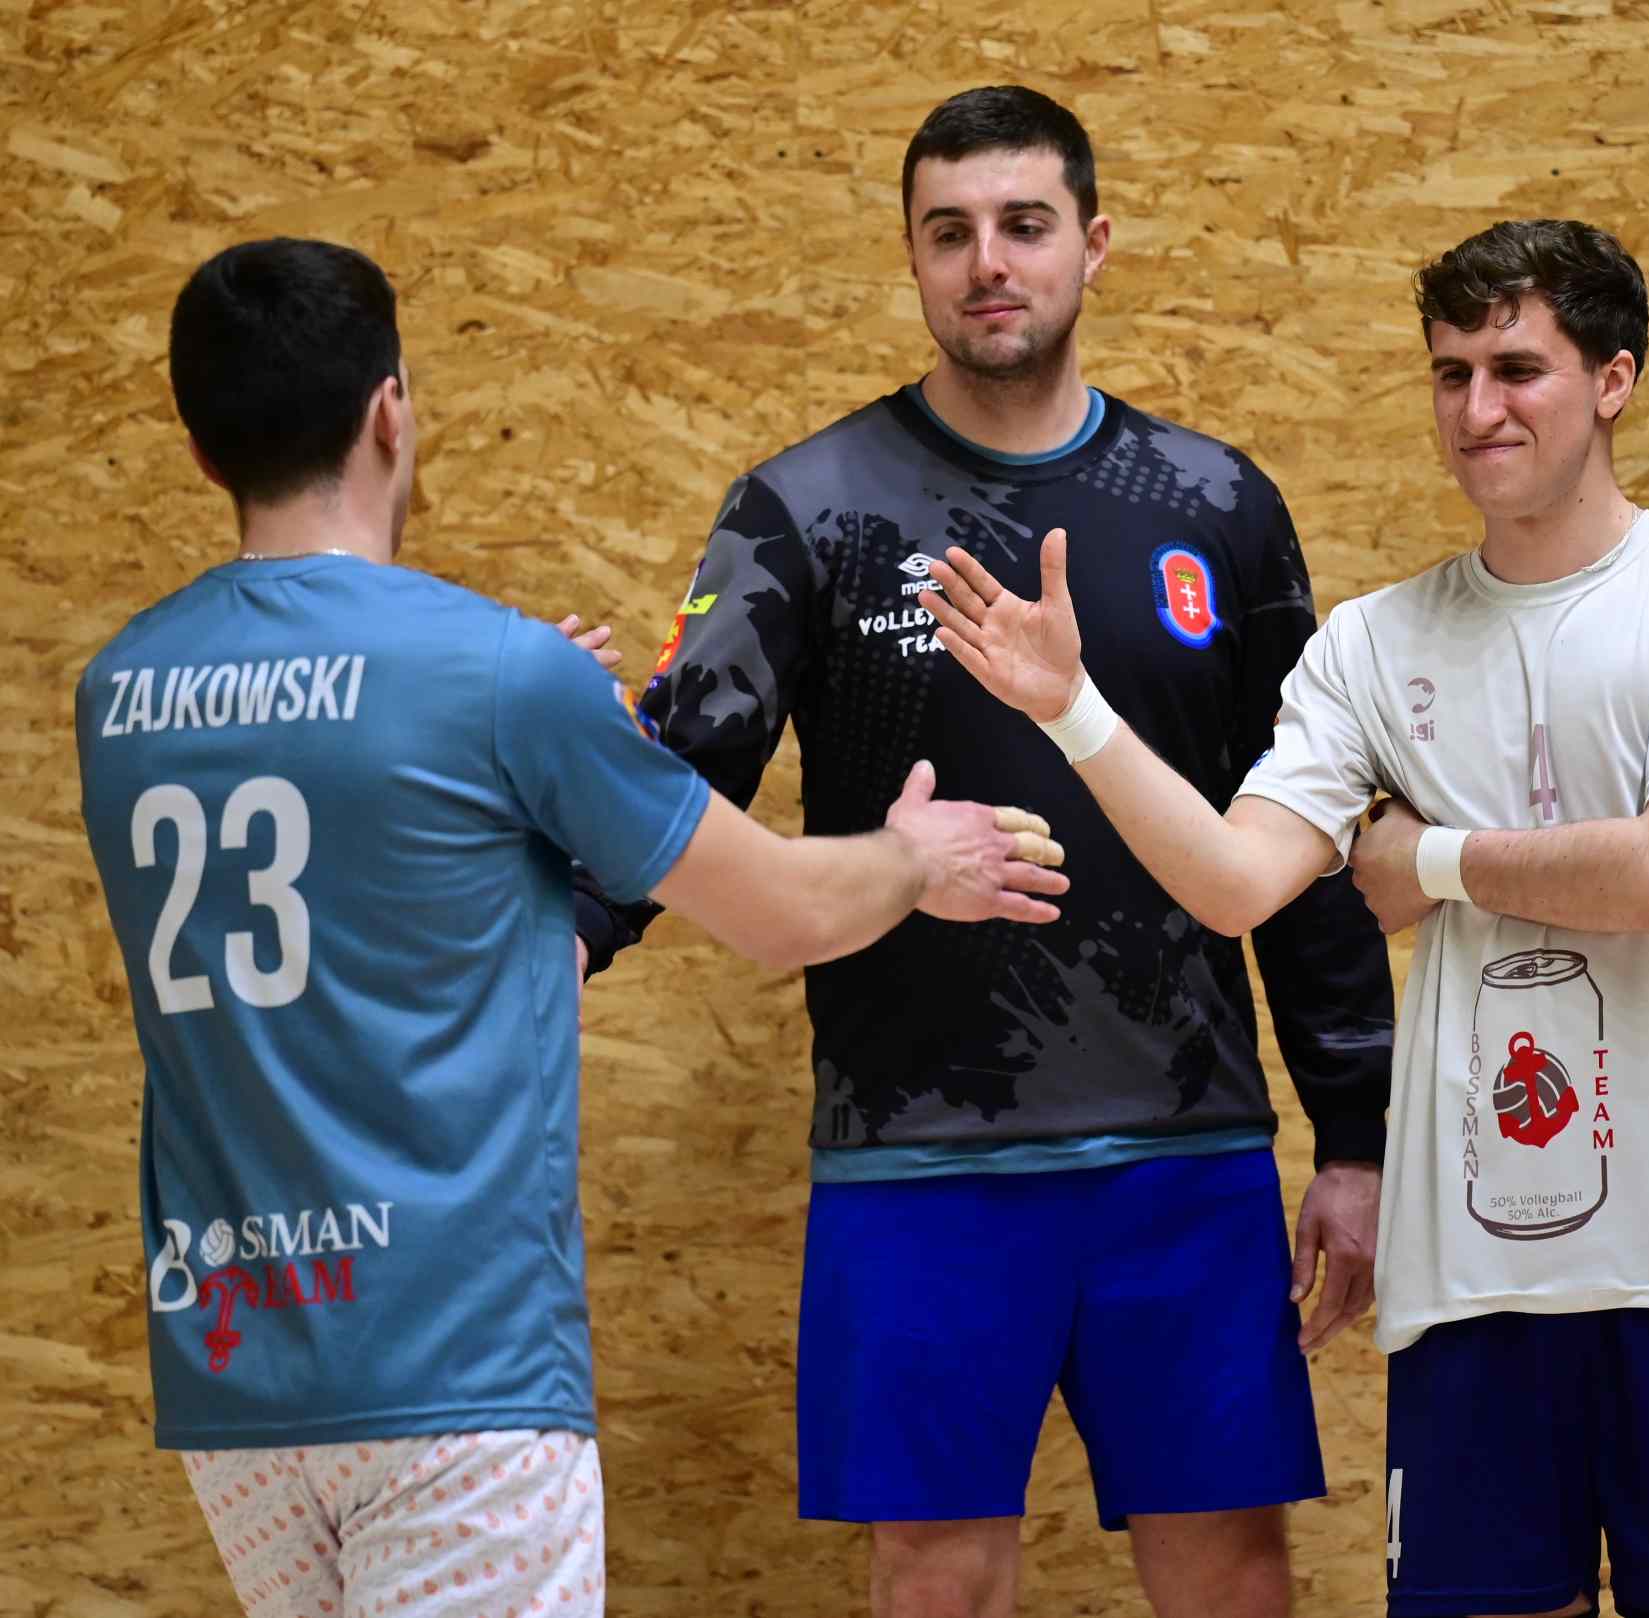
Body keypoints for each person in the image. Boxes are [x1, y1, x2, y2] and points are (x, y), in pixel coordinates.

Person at [74, 236, 1068, 1618]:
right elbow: (783, 911)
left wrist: (499, 753)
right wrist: (914, 856)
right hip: (454, 1369)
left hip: (236, 1382)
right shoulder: (491, 674)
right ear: (390, 411)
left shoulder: (119, 690)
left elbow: (363, 867)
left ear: (199, 448)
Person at [922, 217, 1649, 1618]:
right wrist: (1074, 709)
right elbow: (1235, 880)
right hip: (1471, 1292)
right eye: (1451, 373)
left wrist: (1434, 863)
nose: (1479, 409)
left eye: (1518, 369)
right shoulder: (1370, 642)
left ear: (1615, 380)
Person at [574, 86, 1394, 1618]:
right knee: (937, 1576)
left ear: (1095, 241)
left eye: (1024, 224)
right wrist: (550, 930)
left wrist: (1357, 1136)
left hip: (1185, 1152)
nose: (988, 263)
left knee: (1231, 1572)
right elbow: (675, 786)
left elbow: (1305, 843)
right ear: (911, 257)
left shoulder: (1218, 506)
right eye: (948, 232)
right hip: (916, 1157)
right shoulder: (808, 507)